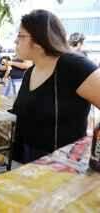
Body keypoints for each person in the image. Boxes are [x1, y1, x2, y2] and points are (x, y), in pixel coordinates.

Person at [11, 10, 100, 163]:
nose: (15, 41)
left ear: (39, 40)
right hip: (26, 163)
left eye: (20, 36)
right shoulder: (31, 71)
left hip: (61, 168)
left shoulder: (74, 66)